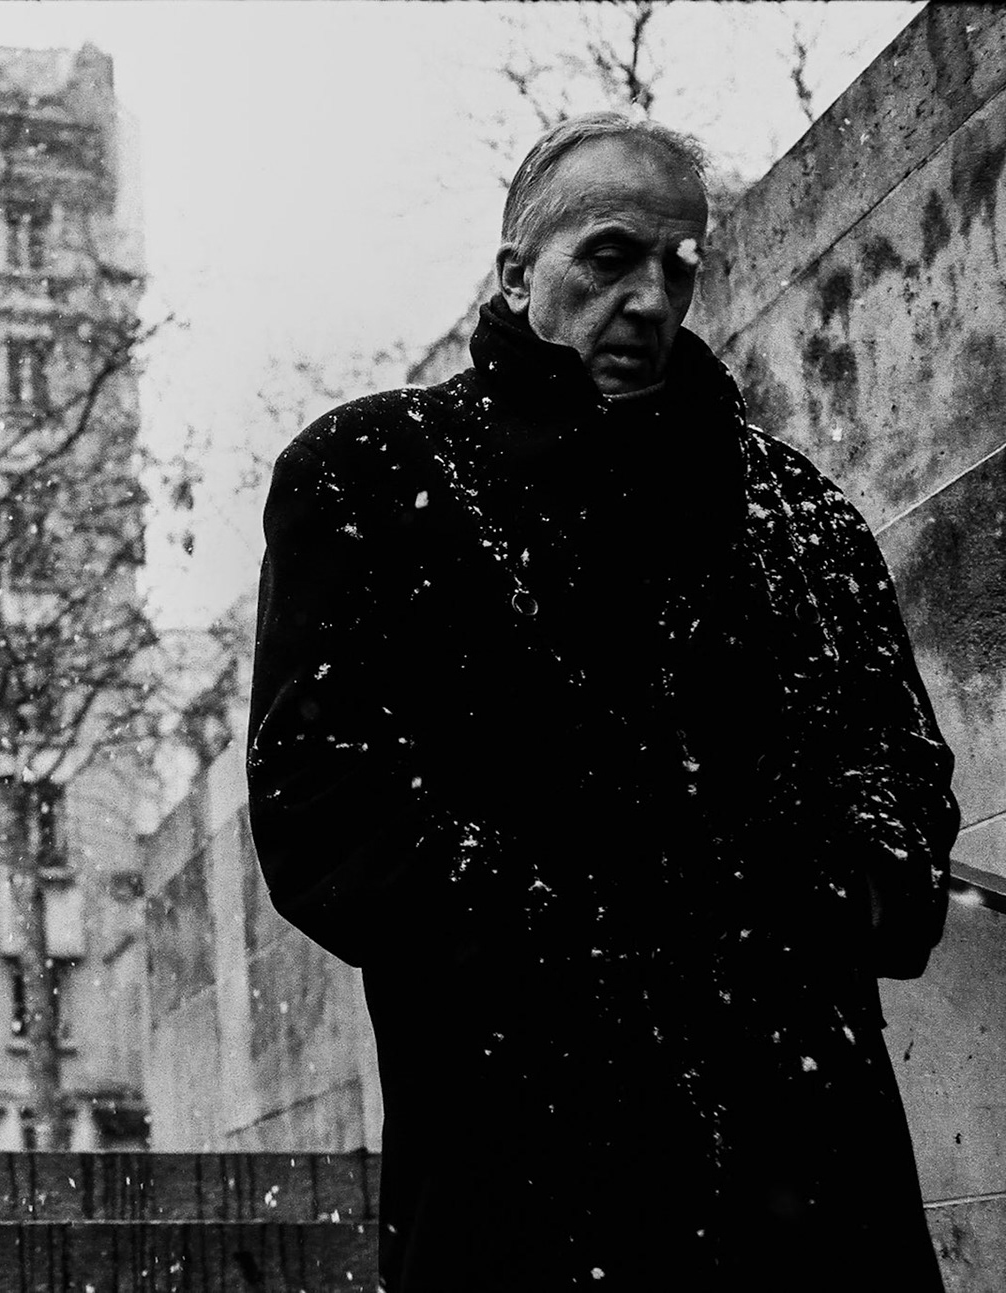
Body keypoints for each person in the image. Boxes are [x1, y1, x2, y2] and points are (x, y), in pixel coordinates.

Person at [248, 112, 958, 1292]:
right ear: (517, 272)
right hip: (526, 1156)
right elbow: (321, 805)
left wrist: (821, 898)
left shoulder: (801, 515)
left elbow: (900, 784)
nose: (649, 299)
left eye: (680, 268)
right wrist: (577, 928)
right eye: (611, 257)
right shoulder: (375, 472)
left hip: (813, 1159)